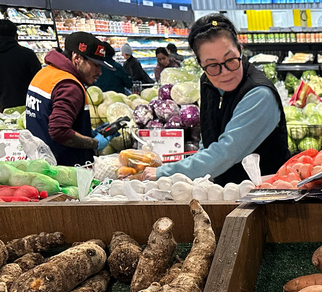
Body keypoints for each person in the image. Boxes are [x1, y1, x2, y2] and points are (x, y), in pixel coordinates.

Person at [141, 14, 289, 184]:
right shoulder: (207, 82)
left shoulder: (259, 94)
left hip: (264, 197)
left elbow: (226, 152)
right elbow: (208, 137)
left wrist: (166, 172)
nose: (224, 72)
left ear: (240, 50)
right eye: (212, 65)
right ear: (201, 64)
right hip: (225, 193)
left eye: (230, 59)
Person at [26, 32, 115, 166]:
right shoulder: (69, 86)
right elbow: (59, 131)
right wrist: (94, 143)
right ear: (77, 58)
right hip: (64, 169)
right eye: (95, 65)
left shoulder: (45, 73)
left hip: (39, 163)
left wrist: (84, 131)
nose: (99, 72)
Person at [0, 19, 40, 110]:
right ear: (16, 36)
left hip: (5, 106)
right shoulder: (27, 54)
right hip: (30, 105)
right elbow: (39, 79)